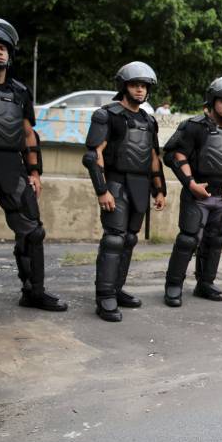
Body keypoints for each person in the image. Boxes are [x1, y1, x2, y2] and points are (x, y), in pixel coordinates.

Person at [0, 17, 67, 321]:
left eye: (3, 48)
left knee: (33, 231)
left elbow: (27, 133)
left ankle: (34, 291)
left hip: (12, 167)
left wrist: (35, 172)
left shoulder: (20, 91)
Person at [82, 62, 167, 322]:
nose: (140, 90)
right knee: (114, 239)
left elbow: (153, 157)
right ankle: (105, 296)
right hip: (116, 184)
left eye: (144, 86)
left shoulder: (148, 120)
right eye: (135, 85)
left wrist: (159, 189)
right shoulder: (107, 115)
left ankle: (117, 290)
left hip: (140, 185)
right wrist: (102, 190)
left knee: (129, 239)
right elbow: (92, 155)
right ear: (123, 86)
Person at [162, 76, 222, 306]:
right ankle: (173, 285)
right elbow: (174, 155)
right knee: (188, 240)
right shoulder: (194, 127)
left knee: (215, 241)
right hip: (197, 195)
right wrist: (191, 184)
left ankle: (205, 283)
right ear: (212, 101)